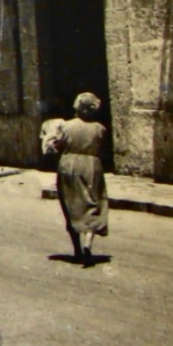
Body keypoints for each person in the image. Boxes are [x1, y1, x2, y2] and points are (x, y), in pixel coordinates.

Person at [56, 91, 110, 266]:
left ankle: (77, 250)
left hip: (69, 164)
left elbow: (58, 144)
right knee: (93, 203)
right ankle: (88, 243)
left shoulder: (65, 126)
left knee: (71, 207)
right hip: (91, 165)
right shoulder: (100, 128)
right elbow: (102, 148)